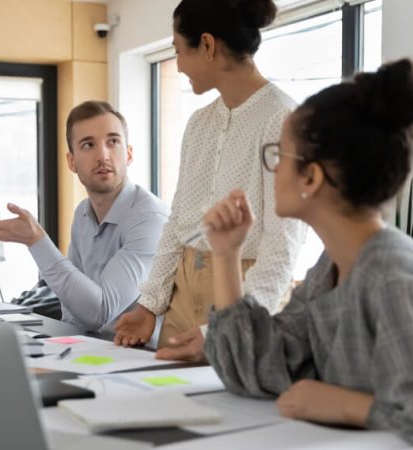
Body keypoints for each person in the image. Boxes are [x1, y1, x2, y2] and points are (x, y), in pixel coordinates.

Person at [201, 59, 413, 448]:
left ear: (311, 177)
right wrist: (226, 255)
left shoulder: (397, 278)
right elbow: (259, 367)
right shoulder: (331, 268)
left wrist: (351, 406)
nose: (272, 170)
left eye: (279, 156)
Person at [114, 0, 306, 352]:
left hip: (246, 297)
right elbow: (178, 223)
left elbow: (283, 247)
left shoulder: (282, 119)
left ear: (206, 45)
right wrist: (150, 305)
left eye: (178, 51)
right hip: (182, 293)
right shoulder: (199, 123)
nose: (179, 65)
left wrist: (226, 328)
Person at [0, 101, 170, 333]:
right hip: (96, 350)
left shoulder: (150, 218)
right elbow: (73, 312)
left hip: (142, 358)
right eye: (88, 145)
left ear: (129, 153)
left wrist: (36, 241)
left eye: (113, 142)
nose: (103, 155)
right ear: (71, 161)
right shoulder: (83, 213)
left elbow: (100, 311)